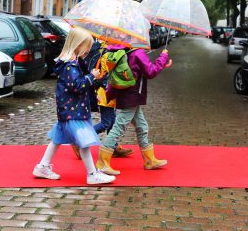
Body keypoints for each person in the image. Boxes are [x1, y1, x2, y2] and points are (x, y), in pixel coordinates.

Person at [32, 27, 115, 185]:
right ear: (78, 45)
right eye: (87, 47)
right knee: (84, 142)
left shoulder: (71, 62)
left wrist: (91, 79)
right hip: (73, 111)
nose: (89, 50)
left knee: (57, 140)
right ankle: (92, 174)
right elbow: (77, 85)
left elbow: (77, 84)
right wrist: (91, 77)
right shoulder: (70, 65)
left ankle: (42, 166)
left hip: (69, 110)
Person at [96, 45, 172, 175]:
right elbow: (150, 72)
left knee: (142, 126)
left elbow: (140, 69)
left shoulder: (124, 50)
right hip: (133, 95)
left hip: (126, 94)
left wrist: (160, 64)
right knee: (119, 127)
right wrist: (163, 57)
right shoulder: (138, 52)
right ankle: (102, 162)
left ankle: (150, 160)